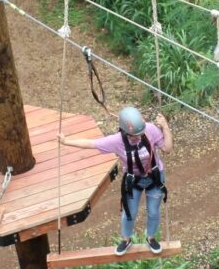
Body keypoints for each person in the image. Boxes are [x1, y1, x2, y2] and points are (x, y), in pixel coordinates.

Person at [59, 106, 173, 256]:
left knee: (153, 211)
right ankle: (126, 239)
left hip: (155, 176)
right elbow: (91, 144)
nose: (138, 138)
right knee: (129, 212)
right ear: (124, 132)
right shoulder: (116, 141)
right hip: (134, 180)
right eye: (134, 136)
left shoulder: (150, 130)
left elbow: (167, 148)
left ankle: (150, 237)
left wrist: (165, 127)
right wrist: (66, 141)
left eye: (140, 134)